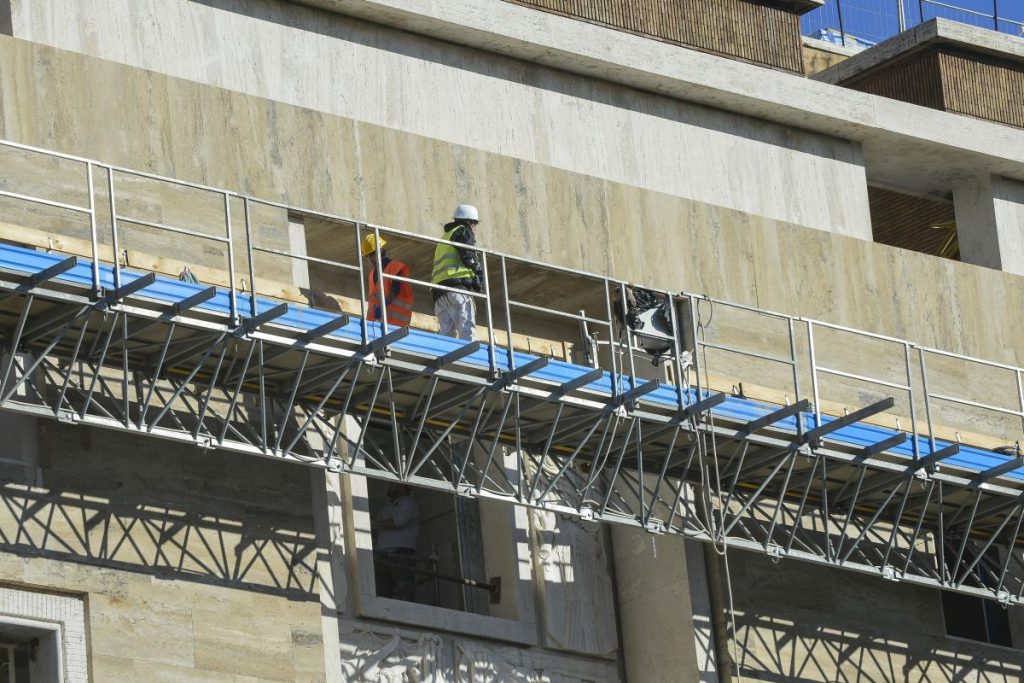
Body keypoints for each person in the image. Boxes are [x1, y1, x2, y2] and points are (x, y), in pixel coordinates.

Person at [431, 204, 483, 340]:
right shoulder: (463, 232)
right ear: (468, 222)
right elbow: (468, 255)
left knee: (446, 335)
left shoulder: (444, 238)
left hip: (439, 294)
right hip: (457, 289)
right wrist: (478, 273)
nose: (475, 228)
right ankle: (470, 359)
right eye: (475, 223)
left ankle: (446, 360)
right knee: (467, 329)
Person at [373, 482, 420, 601]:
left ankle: (409, 616)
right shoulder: (387, 508)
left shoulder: (407, 503)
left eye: (392, 484)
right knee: (382, 594)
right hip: (384, 557)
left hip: (400, 555)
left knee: (405, 592)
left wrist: (374, 524)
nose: (389, 486)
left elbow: (398, 522)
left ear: (402, 486)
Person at [362, 233, 414, 327]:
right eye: (368, 255)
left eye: (373, 253)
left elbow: (395, 291)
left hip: (395, 324)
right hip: (375, 324)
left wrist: (382, 307)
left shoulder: (394, 267)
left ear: (381, 250)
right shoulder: (371, 274)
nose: (371, 258)